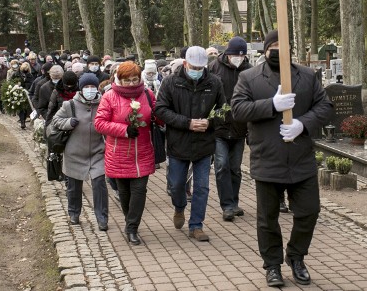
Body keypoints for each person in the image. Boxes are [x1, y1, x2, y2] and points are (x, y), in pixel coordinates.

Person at [231, 30, 333, 287]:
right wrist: (271, 105)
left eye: (283, 46)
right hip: (267, 158)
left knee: (310, 211)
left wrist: (302, 123)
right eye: (273, 46)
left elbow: (324, 107)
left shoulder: (307, 76)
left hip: (301, 159)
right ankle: (272, 265)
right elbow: (238, 110)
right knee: (267, 219)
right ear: (265, 49)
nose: (278, 50)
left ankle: (296, 257)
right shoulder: (249, 77)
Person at [155, 46, 225, 242]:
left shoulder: (214, 83)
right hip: (179, 143)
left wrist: (210, 122)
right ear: (185, 63)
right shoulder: (171, 83)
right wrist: (187, 123)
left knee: (202, 187)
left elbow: (224, 110)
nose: (197, 70)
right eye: (194, 66)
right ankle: (179, 207)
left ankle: (196, 225)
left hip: (204, 144)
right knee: (177, 185)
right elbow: (160, 110)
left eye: (201, 67)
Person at [94, 61, 156, 246]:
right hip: (119, 153)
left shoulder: (147, 94)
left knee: (139, 190)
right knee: (125, 192)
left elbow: (156, 114)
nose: (131, 83)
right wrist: (124, 130)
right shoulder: (110, 97)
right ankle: (130, 220)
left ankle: (132, 228)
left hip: (142, 151)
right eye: (127, 80)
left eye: (135, 79)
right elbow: (99, 123)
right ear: (118, 79)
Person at [50, 73, 108, 231]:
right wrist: (68, 122)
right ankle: (74, 212)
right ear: (81, 89)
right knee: (74, 186)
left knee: (99, 184)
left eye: (93, 87)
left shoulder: (104, 103)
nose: (90, 90)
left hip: (98, 152)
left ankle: (102, 217)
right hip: (74, 152)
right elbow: (55, 121)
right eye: (86, 87)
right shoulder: (70, 105)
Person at [208, 36, 252, 222]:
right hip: (219, 127)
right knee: (221, 166)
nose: (238, 59)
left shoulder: (250, 71)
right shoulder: (213, 68)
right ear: (227, 53)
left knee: (235, 168)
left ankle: (234, 202)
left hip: (240, 128)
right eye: (235, 55)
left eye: (242, 56)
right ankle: (226, 206)